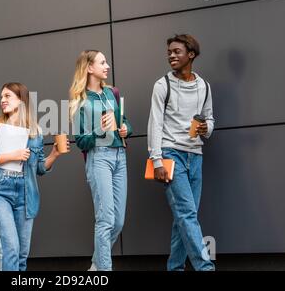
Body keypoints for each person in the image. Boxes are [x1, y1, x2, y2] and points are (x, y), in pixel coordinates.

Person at [0, 82, 69, 271]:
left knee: (21, 254)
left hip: (27, 195)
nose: (2, 100)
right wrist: (12, 156)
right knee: (10, 248)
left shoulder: (36, 133)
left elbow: (40, 168)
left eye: (7, 96)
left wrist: (54, 155)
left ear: (21, 100)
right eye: (1, 96)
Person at [147, 34, 215, 271]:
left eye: (177, 52)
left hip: (195, 155)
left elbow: (210, 119)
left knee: (184, 218)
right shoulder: (162, 85)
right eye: (169, 52)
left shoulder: (204, 86)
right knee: (187, 215)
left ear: (191, 55)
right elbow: (155, 123)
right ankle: (205, 268)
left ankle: (175, 267)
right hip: (170, 155)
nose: (171, 56)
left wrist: (207, 128)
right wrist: (156, 160)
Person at [69, 50, 132, 271]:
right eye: (102, 62)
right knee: (105, 220)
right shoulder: (80, 102)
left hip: (119, 156)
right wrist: (99, 130)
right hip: (99, 158)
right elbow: (81, 142)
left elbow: (124, 122)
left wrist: (125, 129)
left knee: (118, 221)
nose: (107, 66)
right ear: (89, 68)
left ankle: (96, 264)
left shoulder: (112, 93)